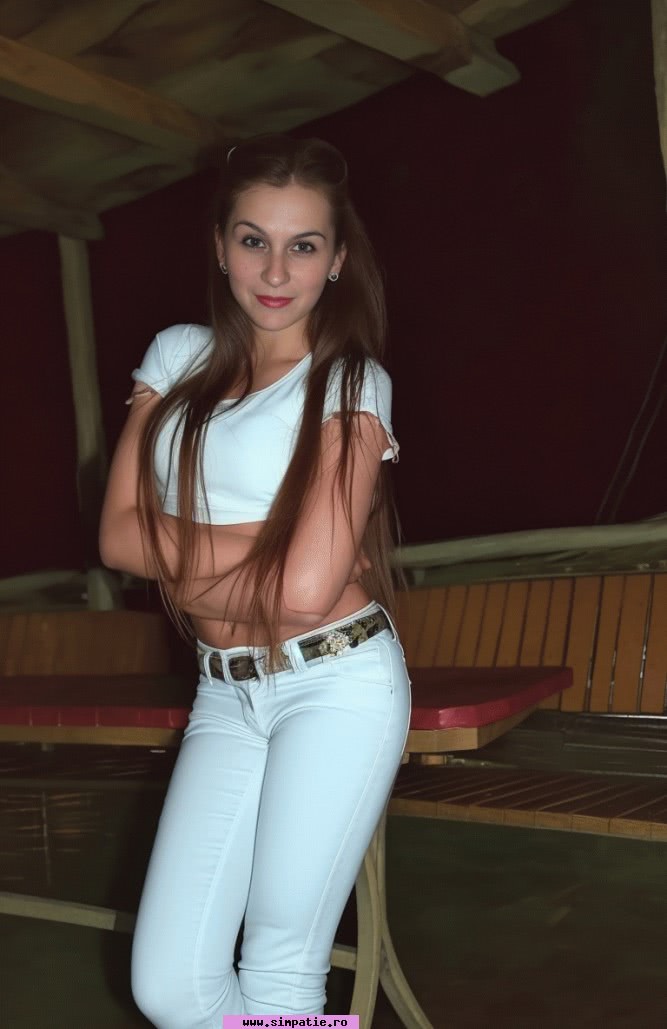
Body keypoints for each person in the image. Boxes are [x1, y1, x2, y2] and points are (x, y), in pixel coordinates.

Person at [99, 134, 412, 1029]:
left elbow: (308, 592)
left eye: (303, 245)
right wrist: (274, 539)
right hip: (222, 692)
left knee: (280, 972)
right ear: (219, 245)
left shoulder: (350, 380)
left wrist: (189, 545)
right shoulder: (176, 357)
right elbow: (117, 537)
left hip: (335, 681)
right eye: (253, 240)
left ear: (336, 259)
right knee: (170, 987)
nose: (275, 270)